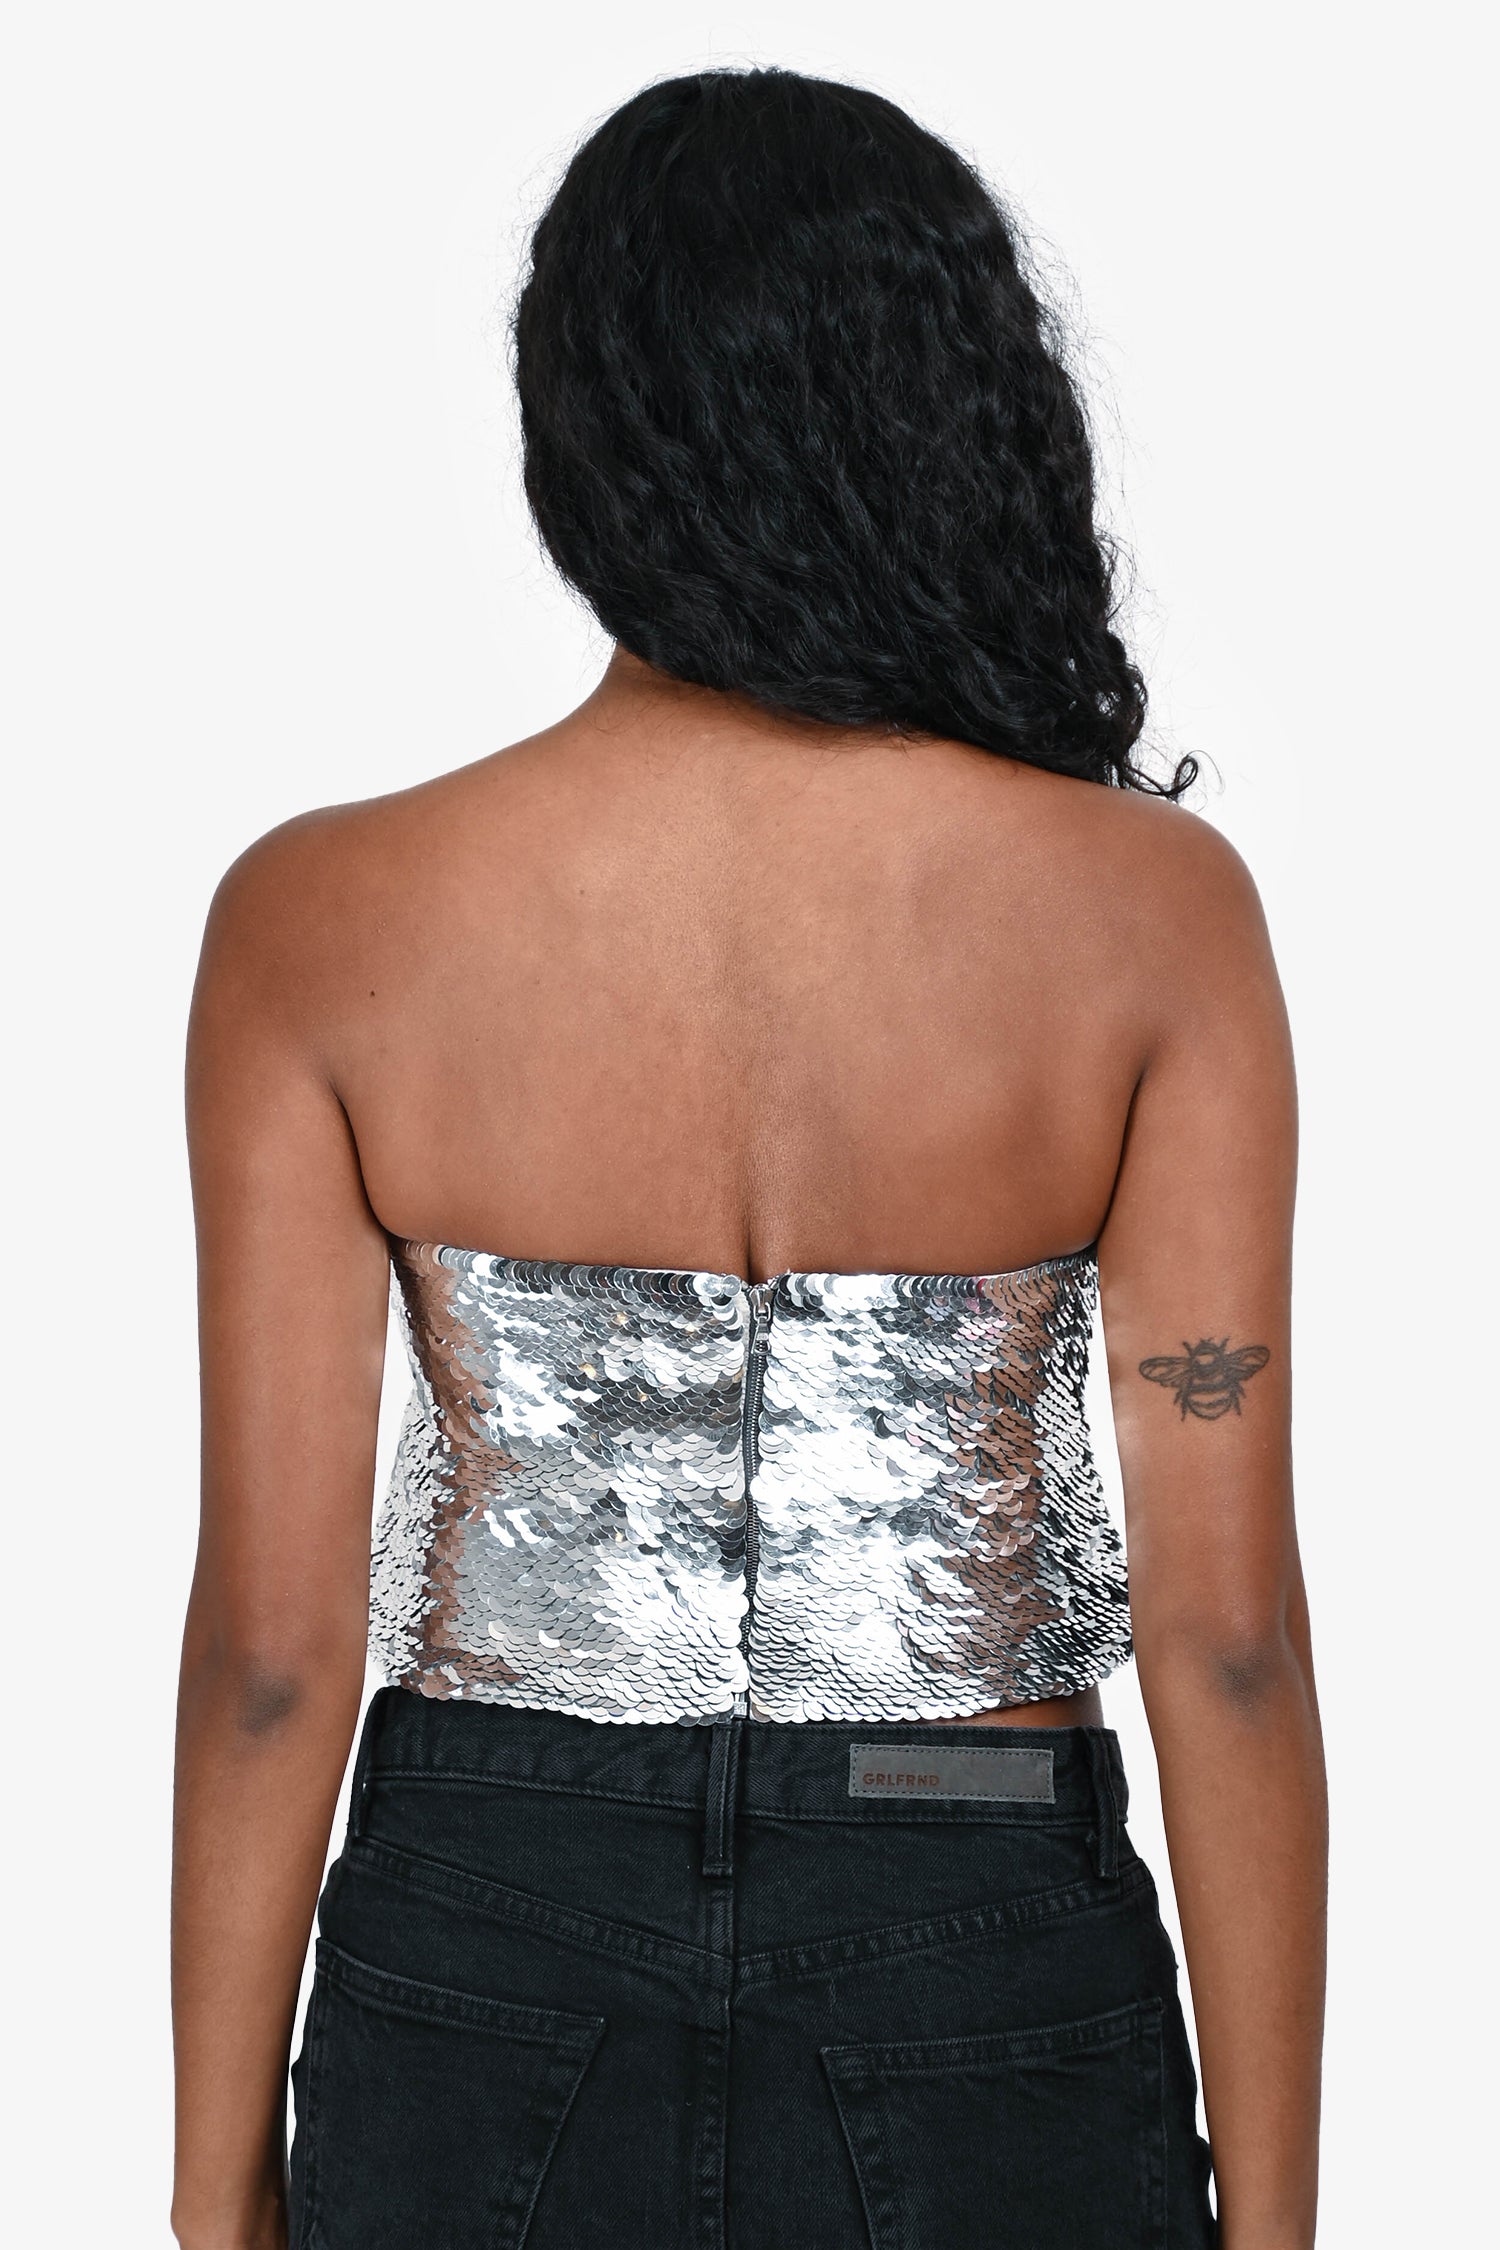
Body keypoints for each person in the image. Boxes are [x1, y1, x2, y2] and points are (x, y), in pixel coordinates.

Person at [170, 66, 1326, 2250]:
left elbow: (269, 1650)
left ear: (582, 432)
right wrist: (1273, 2224)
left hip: (487, 1908)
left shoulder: (323, 920)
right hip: (977, 1875)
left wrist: (214, 2196)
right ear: (944, 409)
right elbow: (1232, 1634)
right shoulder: (1152, 920)